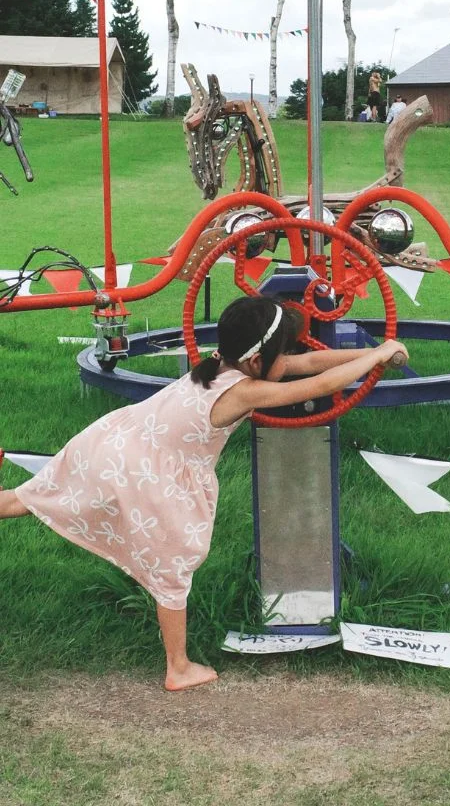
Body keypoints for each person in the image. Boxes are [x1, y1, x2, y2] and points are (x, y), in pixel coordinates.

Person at [0, 295, 407, 692]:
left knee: (25, 499)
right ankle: (178, 667)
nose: (289, 360)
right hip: (145, 469)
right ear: (254, 361)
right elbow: (317, 383)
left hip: (113, 440)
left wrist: (380, 353)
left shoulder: (219, 362)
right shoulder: (244, 391)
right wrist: (374, 356)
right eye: (282, 352)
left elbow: (310, 363)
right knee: (174, 564)